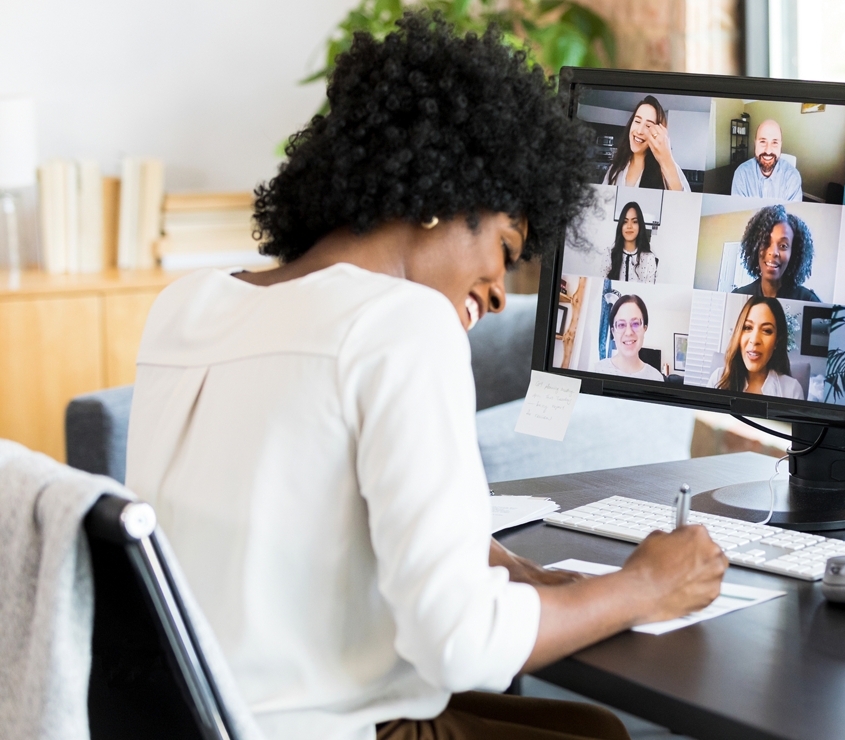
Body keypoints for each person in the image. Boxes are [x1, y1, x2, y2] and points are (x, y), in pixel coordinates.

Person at [124, 15, 725, 740]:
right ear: (445, 193)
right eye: (505, 245)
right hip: (328, 729)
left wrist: (506, 566)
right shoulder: (403, 325)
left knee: (590, 723)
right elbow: (459, 646)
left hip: (195, 720)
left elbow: (290, 508)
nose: (502, 288)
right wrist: (642, 587)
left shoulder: (189, 302)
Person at [708, 295, 804, 399]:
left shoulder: (792, 390)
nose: (754, 340)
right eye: (748, 327)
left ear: (777, 341)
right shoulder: (718, 379)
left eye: (767, 330)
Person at [732, 204, 821, 302]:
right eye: (766, 242)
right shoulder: (738, 296)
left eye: (783, 246)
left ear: (793, 253)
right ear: (755, 247)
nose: (773, 253)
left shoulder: (808, 300)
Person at [602, 95, 691, 191]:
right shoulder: (615, 169)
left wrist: (666, 160)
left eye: (648, 126)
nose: (639, 131)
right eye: (637, 121)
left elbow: (683, 203)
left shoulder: (669, 168)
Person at [590, 294, 666, 381]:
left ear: (644, 328)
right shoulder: (596, 371)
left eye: (636, 324)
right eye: (621, 325)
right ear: (613, 332)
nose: (629, 332)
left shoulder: (656, 378)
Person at [730, 119, 803, 201]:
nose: (768, 151)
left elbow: (792, 212)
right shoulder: (741, 174)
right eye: (762, 142)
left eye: (775, 143)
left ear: (780, 145)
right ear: (755, 144)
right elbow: (739, 211)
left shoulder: (793, 177)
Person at [605, 201, 658, 283]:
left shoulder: (649, 258)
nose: (629, 226)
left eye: (634, 221)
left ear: (640, 226)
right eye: (625, 221)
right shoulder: (609, 253)